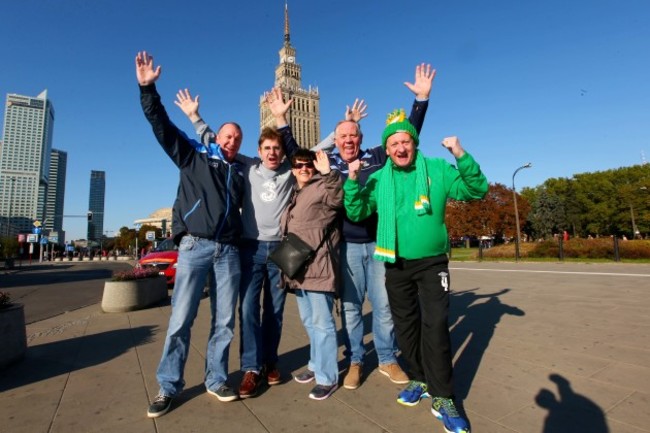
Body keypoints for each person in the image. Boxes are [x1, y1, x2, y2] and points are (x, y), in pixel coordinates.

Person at [175, 90, 365, 399]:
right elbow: (219, 143)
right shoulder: (247, 166)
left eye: (277, 148)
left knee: (275, 312)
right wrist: (195, 118)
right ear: (259, 151)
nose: (273, 153)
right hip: (250, 248)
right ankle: (252, 368)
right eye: (267, 148)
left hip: (280, 250)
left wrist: (345, 127)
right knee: (248, 309)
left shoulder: (293, 171)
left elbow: (317, 149)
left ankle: (270, 362)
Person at [268, 63, 435, 390]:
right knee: (351, 308)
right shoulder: (324, 165)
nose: (347, 140)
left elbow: (404, 140)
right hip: (343, 247)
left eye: (352, 135)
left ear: (360, 137)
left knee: (384, 306)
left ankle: (387, 358)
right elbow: (295, 154)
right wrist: (281, 121)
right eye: (342, 135)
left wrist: (421, 102)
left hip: (379, 244)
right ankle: (357, 359)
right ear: (337, 139)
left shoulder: (376, 156)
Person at [343, 110, 488, 433]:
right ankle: (420, 378)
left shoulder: (436, 169)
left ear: (414, 142)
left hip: (432, 262)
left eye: (405, 141)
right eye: (393, 143)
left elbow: (475, 189)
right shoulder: (379, 178)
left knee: (435, 325)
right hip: (394, 264)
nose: (399, 148)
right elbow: (357, 210)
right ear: (387, 148)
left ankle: (444, 397)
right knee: (405, 329)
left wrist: (460, 154)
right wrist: (352, 181)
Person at [136, 51, 245, 418]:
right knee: (181, 318)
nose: (231, 141)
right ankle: (168, 387)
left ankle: (216, 379)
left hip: (228, 251)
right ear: (218, 137)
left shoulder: (240, 172)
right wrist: (148, 89)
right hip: (196, 246)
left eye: (237, 138)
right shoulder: (195, 155)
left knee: (225, 322)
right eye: (227, 135)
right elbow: (162, 127)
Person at [281, 149, 343, 401]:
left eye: (308, 165)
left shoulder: (323, 185)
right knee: (310, 322)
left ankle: (328, 378)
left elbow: (338, 199)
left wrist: (328, 173)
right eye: (298, 165)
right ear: (293, 168)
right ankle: (316, 365)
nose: (304, 168)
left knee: (323, 324)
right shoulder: (297, 191)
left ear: (315, 167)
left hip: (318, 265)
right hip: (300, 267)